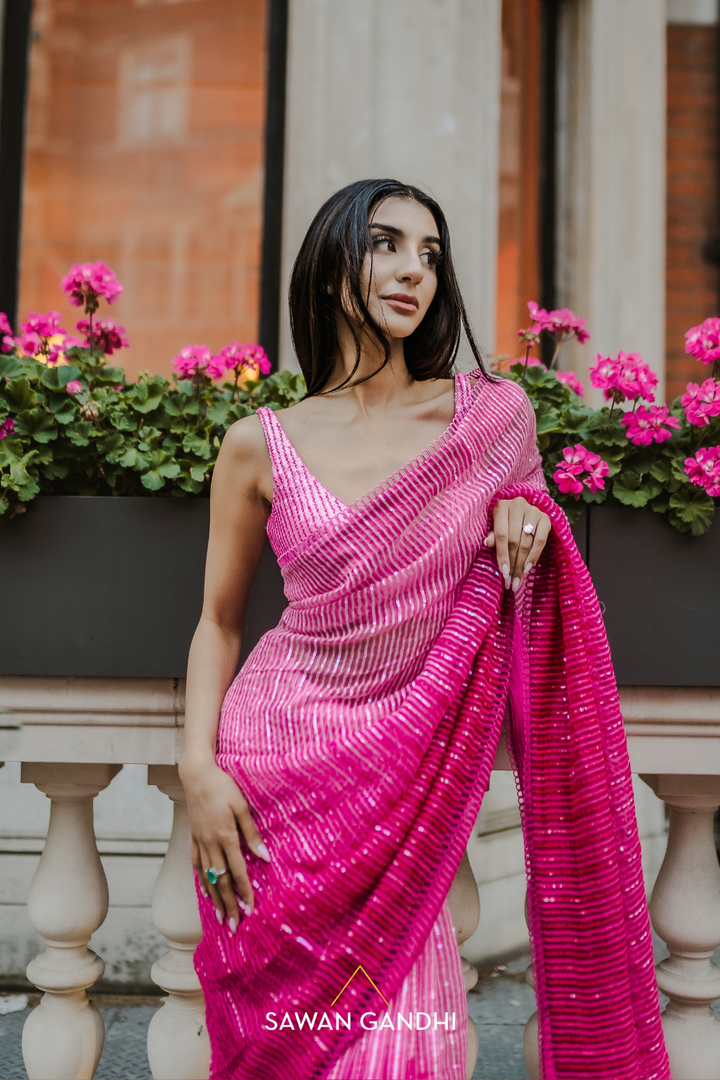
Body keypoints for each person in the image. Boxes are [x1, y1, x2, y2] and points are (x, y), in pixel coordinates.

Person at [180, 180, 669, 1080]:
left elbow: (528, 531)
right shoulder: (259, 442)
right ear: (332, 267)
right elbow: (218, 622)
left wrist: (529, 511)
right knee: (279, 1048)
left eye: (431, 255)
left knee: (412, 1047)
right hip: (270, 789)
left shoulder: (490, 419)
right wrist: (197, 770)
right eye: (386, 245)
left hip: (406, 782)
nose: (414, 270)